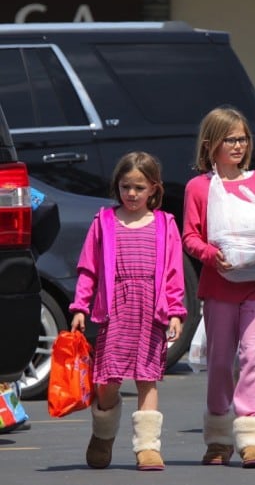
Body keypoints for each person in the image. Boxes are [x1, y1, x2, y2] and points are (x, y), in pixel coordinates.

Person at [182, 107, 255, 469]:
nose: (238, 145)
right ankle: (218, 437)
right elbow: (190, 236)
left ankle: (251, 439)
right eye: (230, 139)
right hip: (219, 285)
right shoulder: (198, 187)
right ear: (210, 144)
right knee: (219, 362)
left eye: (243, 138)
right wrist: (213, 256)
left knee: (253, 356)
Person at [70, 151, 186, 471]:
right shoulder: (104, 222)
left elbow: (174, 272)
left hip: (150, 309)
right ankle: (103, 435)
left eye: (139, 187)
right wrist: (80, 306)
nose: (131, 194)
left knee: (147, 379)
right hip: (115, 310)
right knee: (107, 381)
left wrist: (175, 311)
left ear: (154, 189)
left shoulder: (165, 224)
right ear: (117, 187)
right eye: (125, 187)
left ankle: (148, 447)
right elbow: (89, 269)